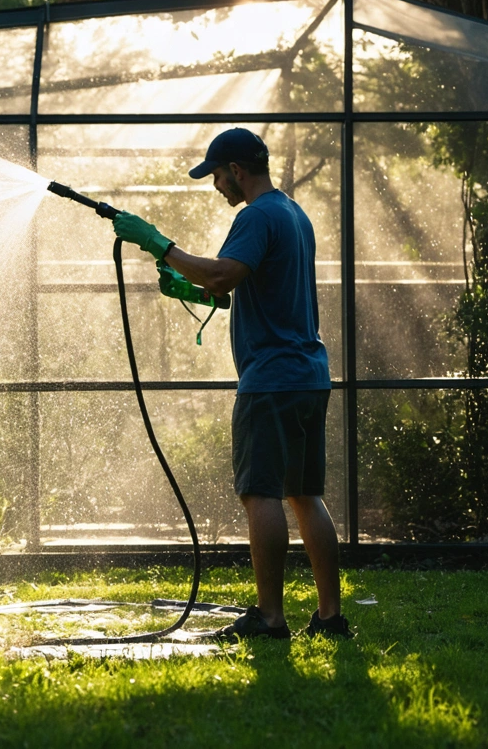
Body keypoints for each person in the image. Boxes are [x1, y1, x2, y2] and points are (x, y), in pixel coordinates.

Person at [112, 127, 351, 640]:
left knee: (259, 494)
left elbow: (221, 275)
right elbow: (245, 286)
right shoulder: (293, 213)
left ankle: (270, 617)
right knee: (305, 495)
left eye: (218, 176)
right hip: (309, 376)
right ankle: (330, 617)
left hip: (272, 380)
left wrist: (156, 242)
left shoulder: (256, 215)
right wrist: (190, 286)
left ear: (238, 171)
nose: (217, 186)